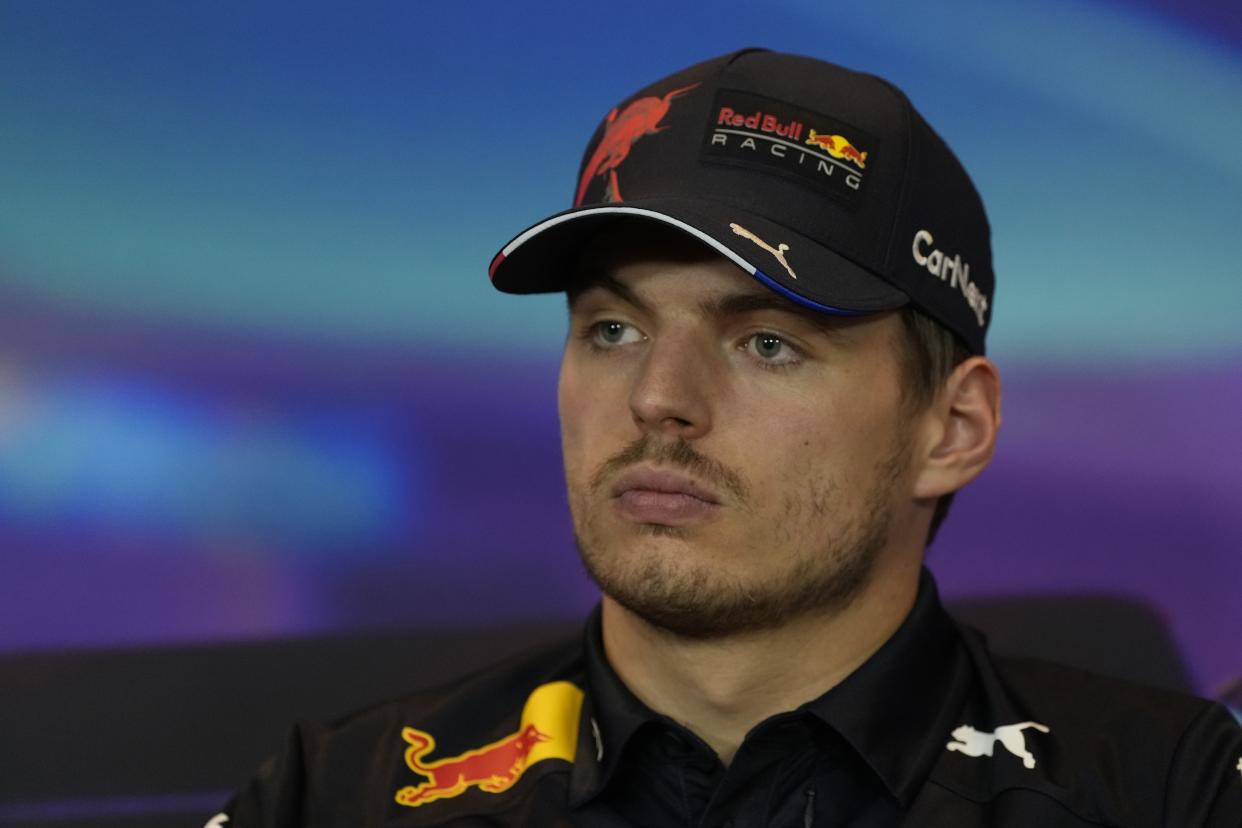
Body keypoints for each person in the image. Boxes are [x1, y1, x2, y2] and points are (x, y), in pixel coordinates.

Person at [208, 48, 1241, 827]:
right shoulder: (337, 795)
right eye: (613, 330)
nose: (658, 398)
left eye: (768, 343)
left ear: (952, 427)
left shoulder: (1172, 792)